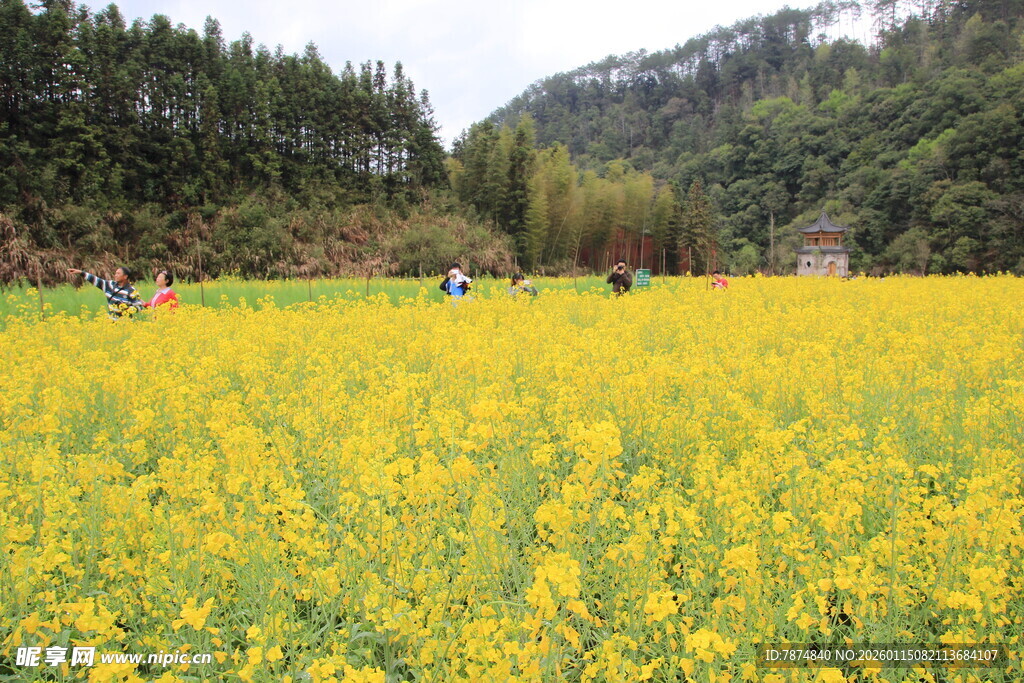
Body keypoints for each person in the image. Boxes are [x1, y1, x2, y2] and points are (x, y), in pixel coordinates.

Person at [67, 266, 144, 318]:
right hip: (110, 322)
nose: (115, 275)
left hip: (124, 324)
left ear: (125, 276)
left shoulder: (132, 291)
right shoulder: (110, 285)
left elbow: (139, 307)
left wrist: (126, 308)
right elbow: (96, 280)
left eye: (118, 273)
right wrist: (81, 272)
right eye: (115, 273)